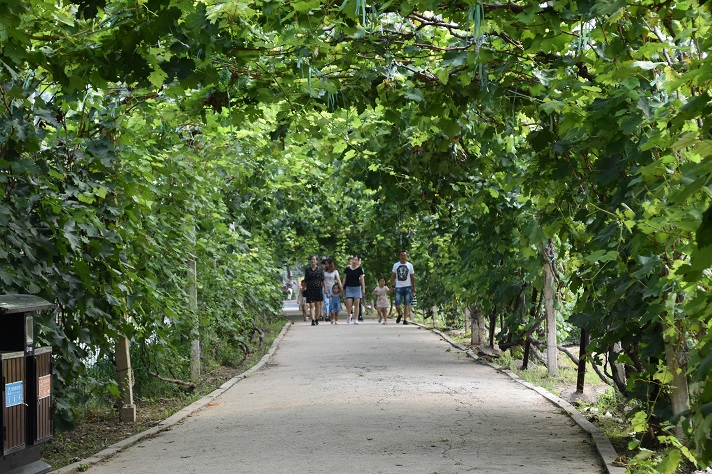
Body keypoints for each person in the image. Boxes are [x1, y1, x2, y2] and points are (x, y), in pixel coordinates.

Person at [390, 250, 416, 325]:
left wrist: (414, 287)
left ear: (407, 256)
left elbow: (412, 277)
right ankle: (400, 314)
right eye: (402, 255)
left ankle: (405, 319)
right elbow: (393, 276)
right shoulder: (396, 265)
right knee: (397, 304)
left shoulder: (410, 265)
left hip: (407, 286)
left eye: (404, 255)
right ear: (399, 256)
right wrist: (391, 286)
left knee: (406, 304)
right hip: (398, 287)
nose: (403, 257)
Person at [303, 255, 327, 326]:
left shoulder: (320, 270)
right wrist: (304, 287)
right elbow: (306, 280)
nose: (312, 261)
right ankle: (313, 320)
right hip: (310, 289)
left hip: (318, 289)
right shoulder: (308, 270)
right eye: (312, 259)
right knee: (311, 305)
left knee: (317, 305)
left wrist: (325, 289)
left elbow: (323, 280)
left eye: (314, 259)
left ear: (317, 261)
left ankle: (316, 318)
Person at [343, 255, 365, 325]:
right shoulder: (347, 269)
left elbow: (362, 279)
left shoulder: (359, 269)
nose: (354, 261)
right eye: (353, 259)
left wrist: (363, 288)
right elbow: (344, 278)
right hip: (349, 287)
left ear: (358, 261)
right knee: (348, 303)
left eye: (356, 260)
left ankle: (356, 319)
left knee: (356, 304)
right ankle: (349, 315)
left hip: (357, 288)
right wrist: (342, 287)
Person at [323, 258, 343, 323]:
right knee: (326, 302)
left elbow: (338, 280)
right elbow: (322, 280)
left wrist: (341, 288)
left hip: (333, 289)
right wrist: (324, 288)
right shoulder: (324, 271)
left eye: (327, 264)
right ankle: (327, 315)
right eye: (326, 264)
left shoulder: (335, 271)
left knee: (332, 303)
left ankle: (331, 316)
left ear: (331, 264)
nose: (326, 265)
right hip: (325, 288)